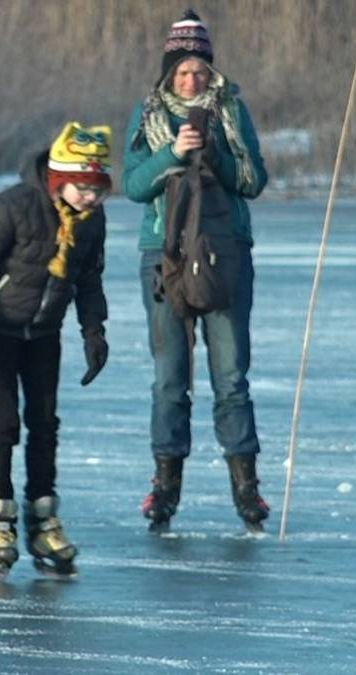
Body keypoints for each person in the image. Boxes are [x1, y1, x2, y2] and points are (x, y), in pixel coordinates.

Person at [0, 122, 112, 578]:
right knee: (4, 426)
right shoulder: (12, 208)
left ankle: (43, 519)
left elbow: (89, 278)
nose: (90, 197)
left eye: (97, 188)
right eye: (82, 187)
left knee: (44, 424)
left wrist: (93, 332)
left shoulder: (91, 222)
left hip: (44, 334)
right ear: (59, 179)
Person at [122, 10, 271, 533]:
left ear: (210, 70)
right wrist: (171, 153)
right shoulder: (148, 113)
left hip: (225, 253)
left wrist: (214, 157)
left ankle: (247, 491)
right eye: (182, 70)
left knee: (231, 377)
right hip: (163, 257)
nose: (191, 79)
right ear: (168, 72)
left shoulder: (230, 108)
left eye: (199, 69)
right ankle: (164, 489)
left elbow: (253, 179)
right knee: (170, 378)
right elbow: (134, 185)